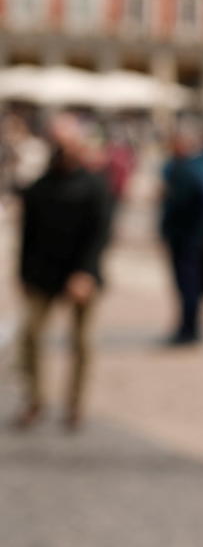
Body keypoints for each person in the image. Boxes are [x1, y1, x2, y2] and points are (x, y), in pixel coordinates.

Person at [12, 112, 112, 431]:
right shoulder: (40, 186)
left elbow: (100, 235)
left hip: (80, 274)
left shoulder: (95, 186)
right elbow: (27, 235)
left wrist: (86, 273)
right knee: (30, 337)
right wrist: (24, 275)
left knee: (81, 343)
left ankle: (74, 405)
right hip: (44, 273)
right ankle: (36, 399)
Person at [159, 119, 203, 345]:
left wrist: (200, 233)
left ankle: (189, 328)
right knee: (186, 285)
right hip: (185, 236)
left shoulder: (196, 167)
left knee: (189, 285)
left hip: (189, 238)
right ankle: (188, 326)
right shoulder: (190, 165)